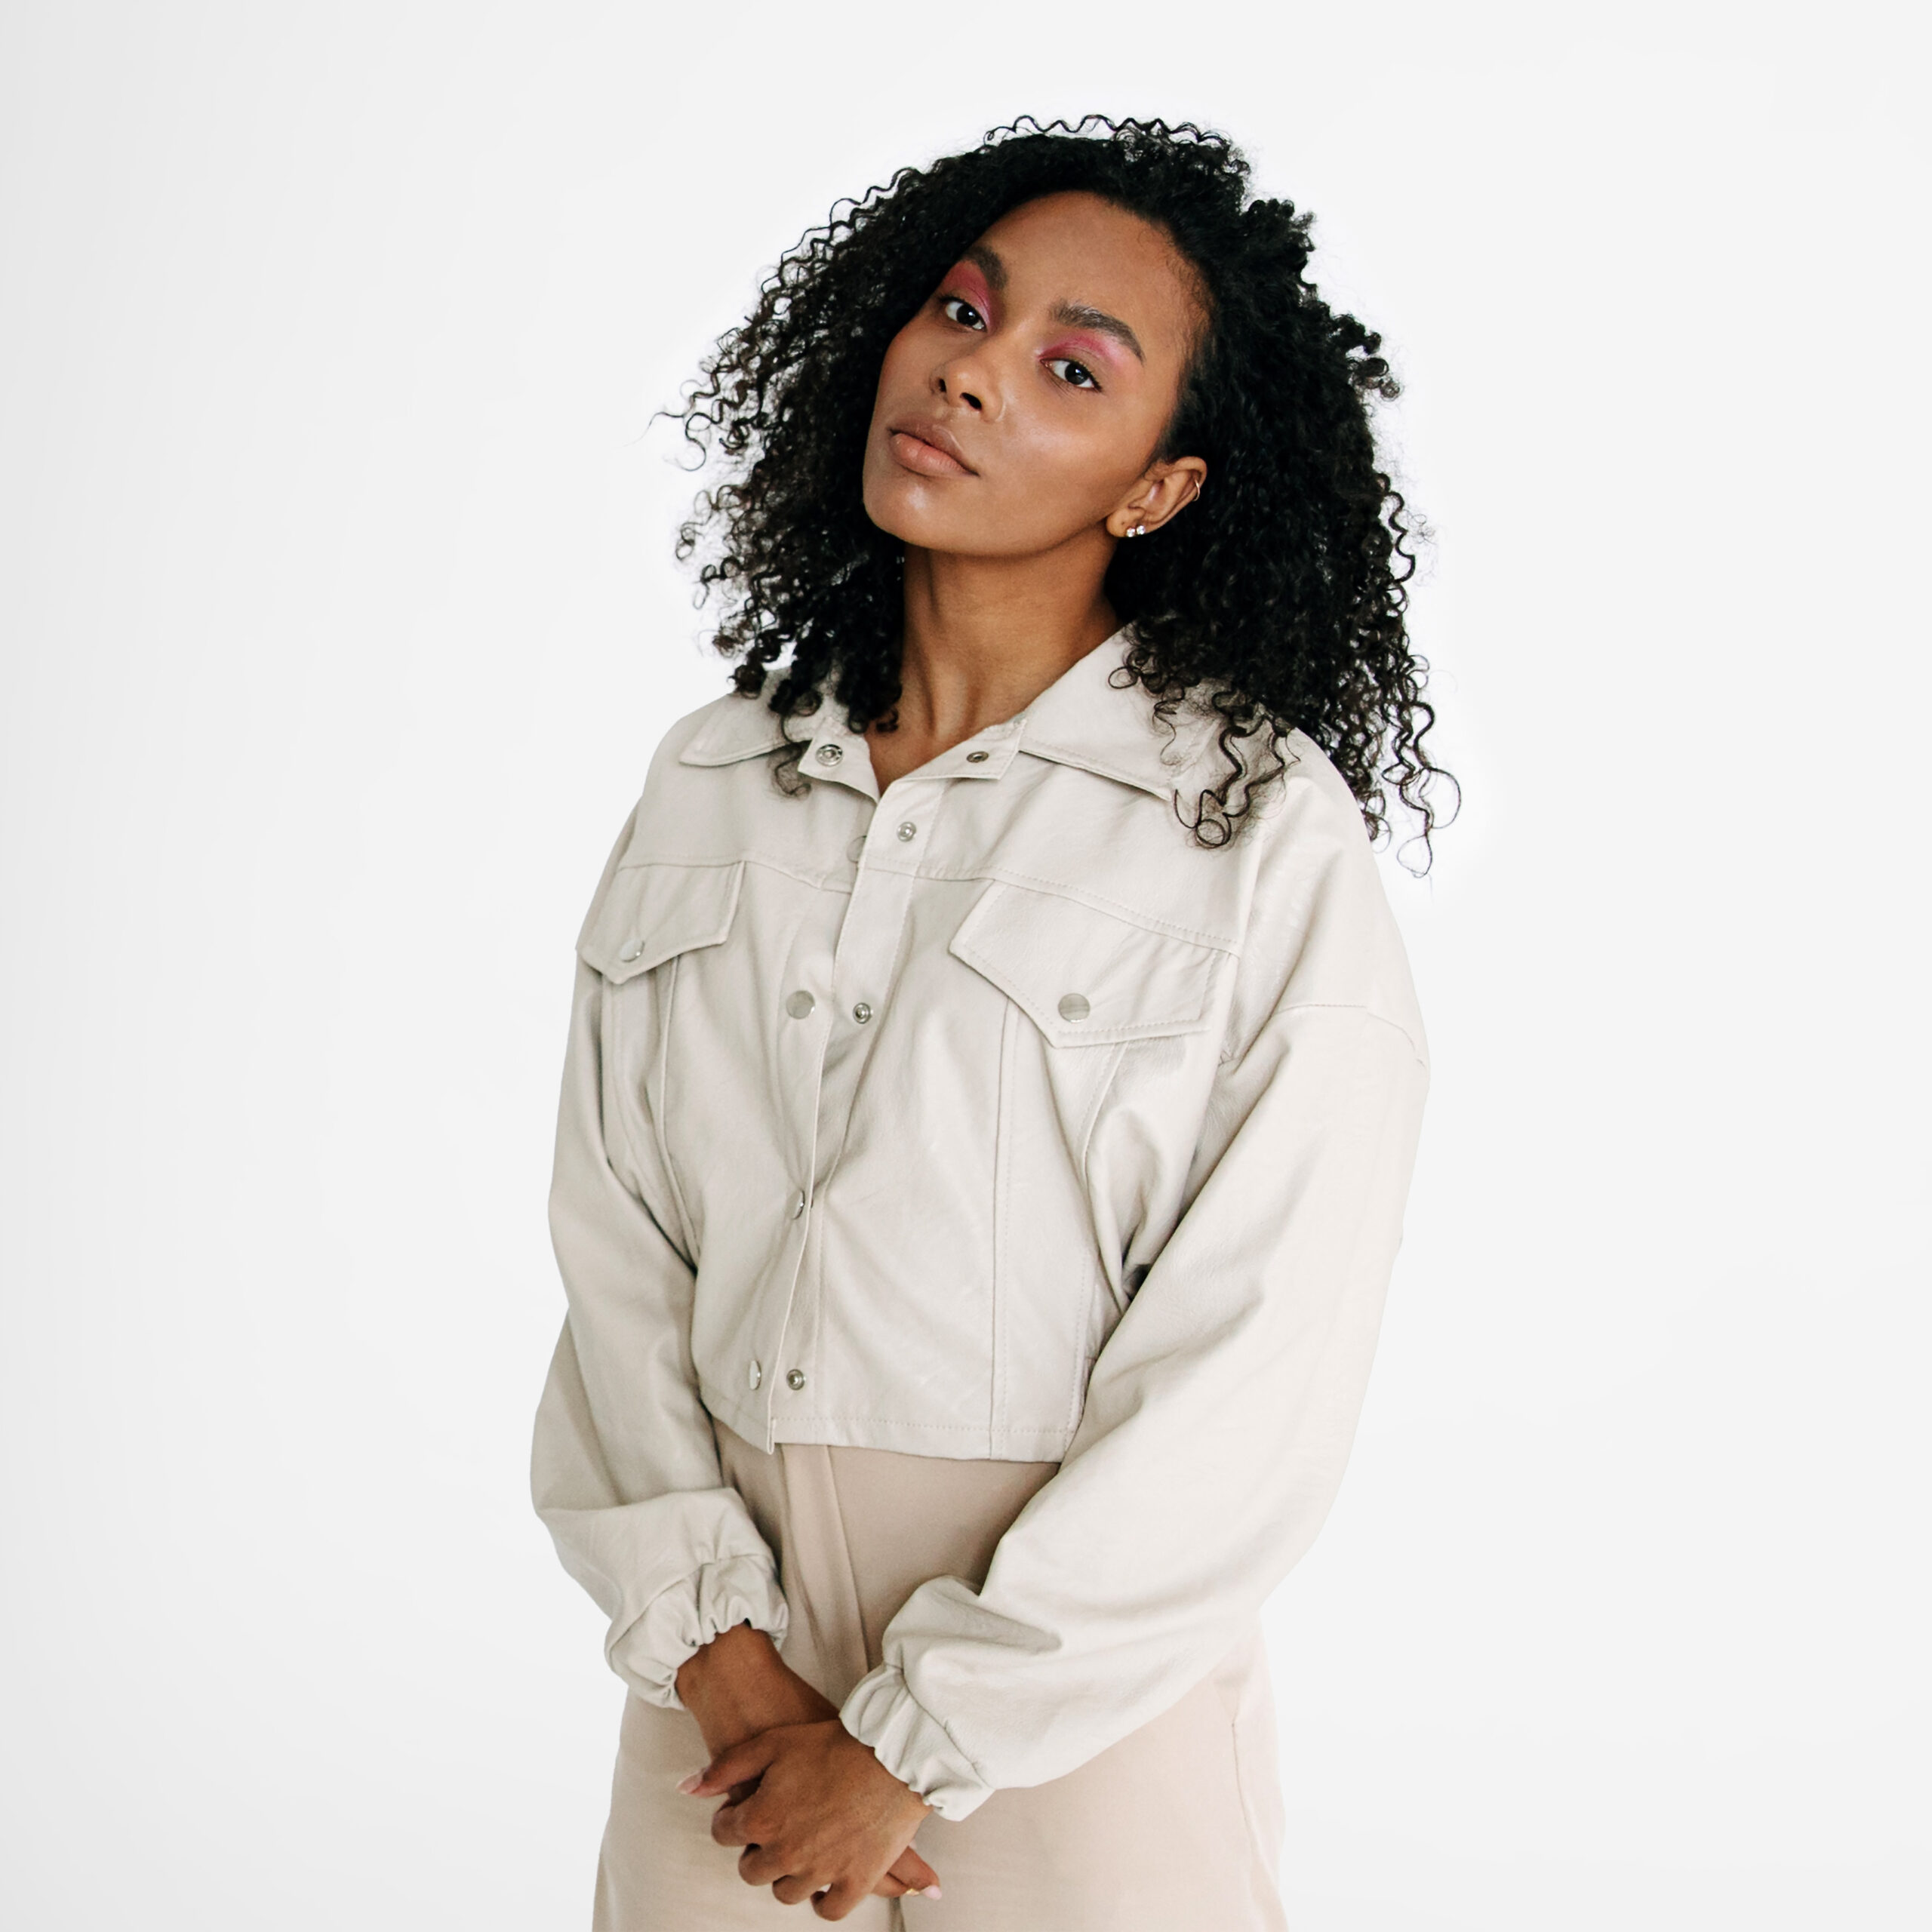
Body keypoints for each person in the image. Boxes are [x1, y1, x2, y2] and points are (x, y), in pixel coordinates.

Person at [532, 115, 1452, 1930]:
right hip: (722, 1681)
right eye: (961, 308)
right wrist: (714, 1649)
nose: (968, 369)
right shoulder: (713, 777)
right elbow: (613, 1241)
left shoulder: (1251, 833)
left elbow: (1259, 1347)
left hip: (1073, 1715)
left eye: (1069, 367)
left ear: (1157, 487)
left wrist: (920, 1736)